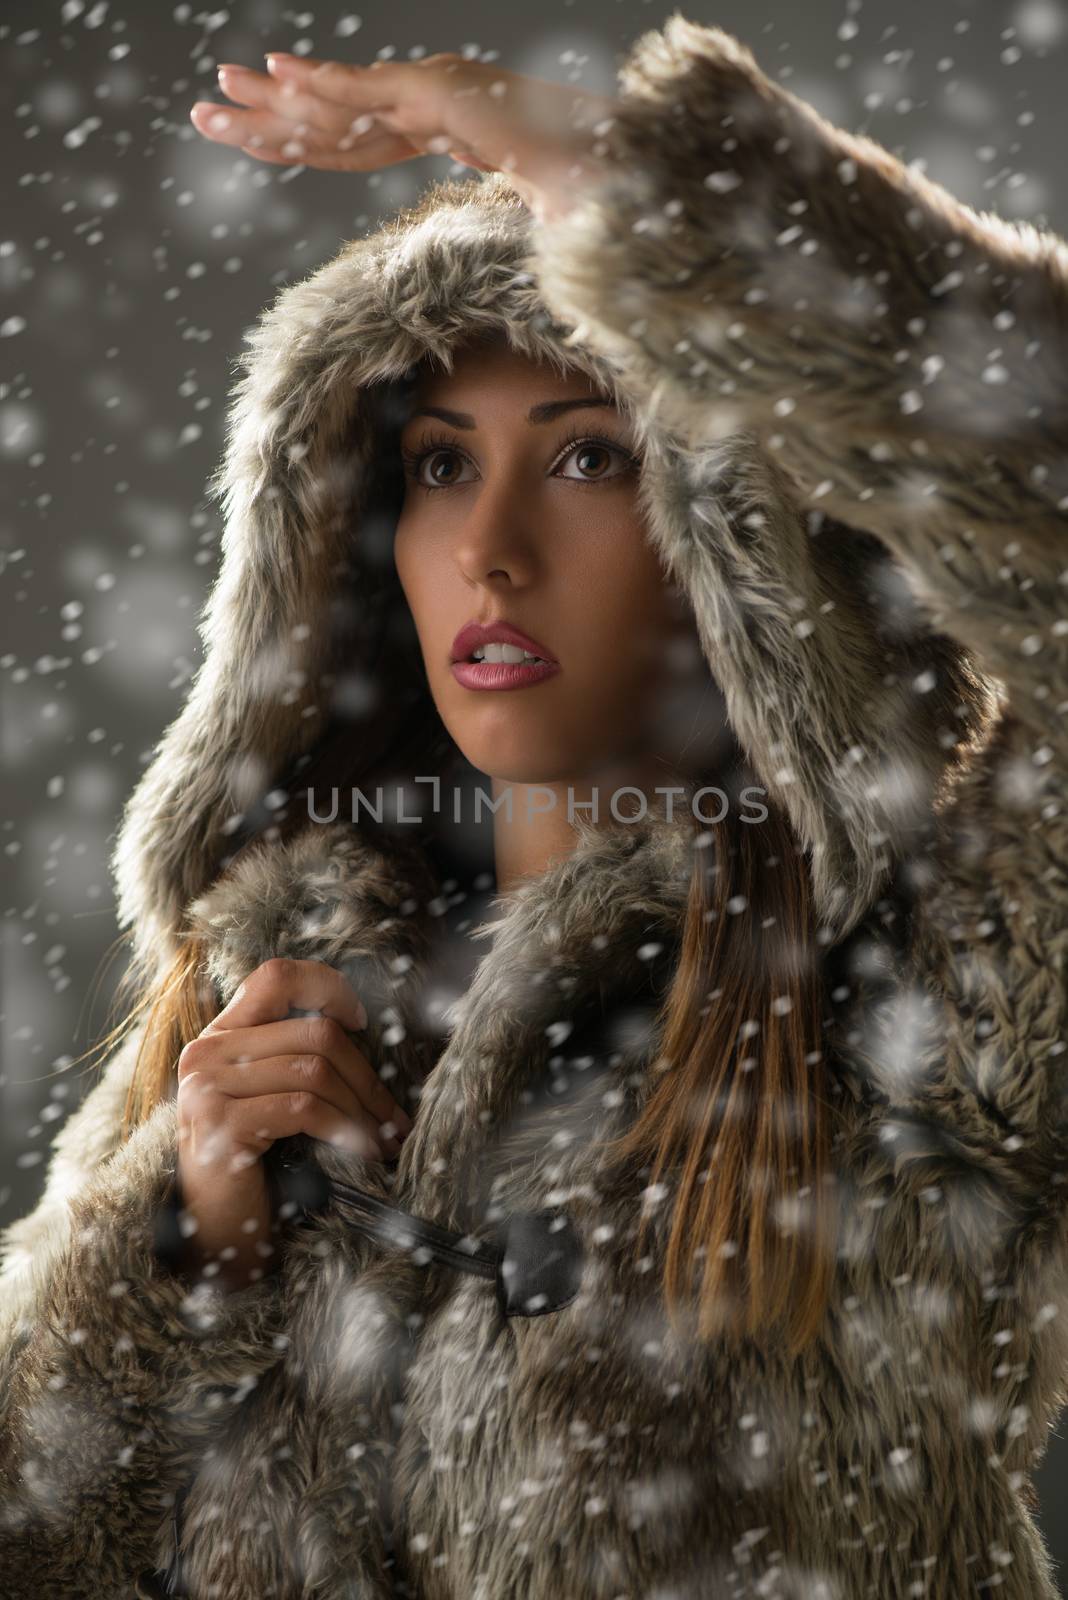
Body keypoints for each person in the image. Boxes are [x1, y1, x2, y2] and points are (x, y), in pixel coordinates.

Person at [1, 13, 1066, 1598]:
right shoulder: (265, 993)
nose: (489, 548)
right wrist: (186, 1245)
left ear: (743, 538)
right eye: (437, 468)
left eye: (586, 462)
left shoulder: (933, 974)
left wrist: (660, 195)